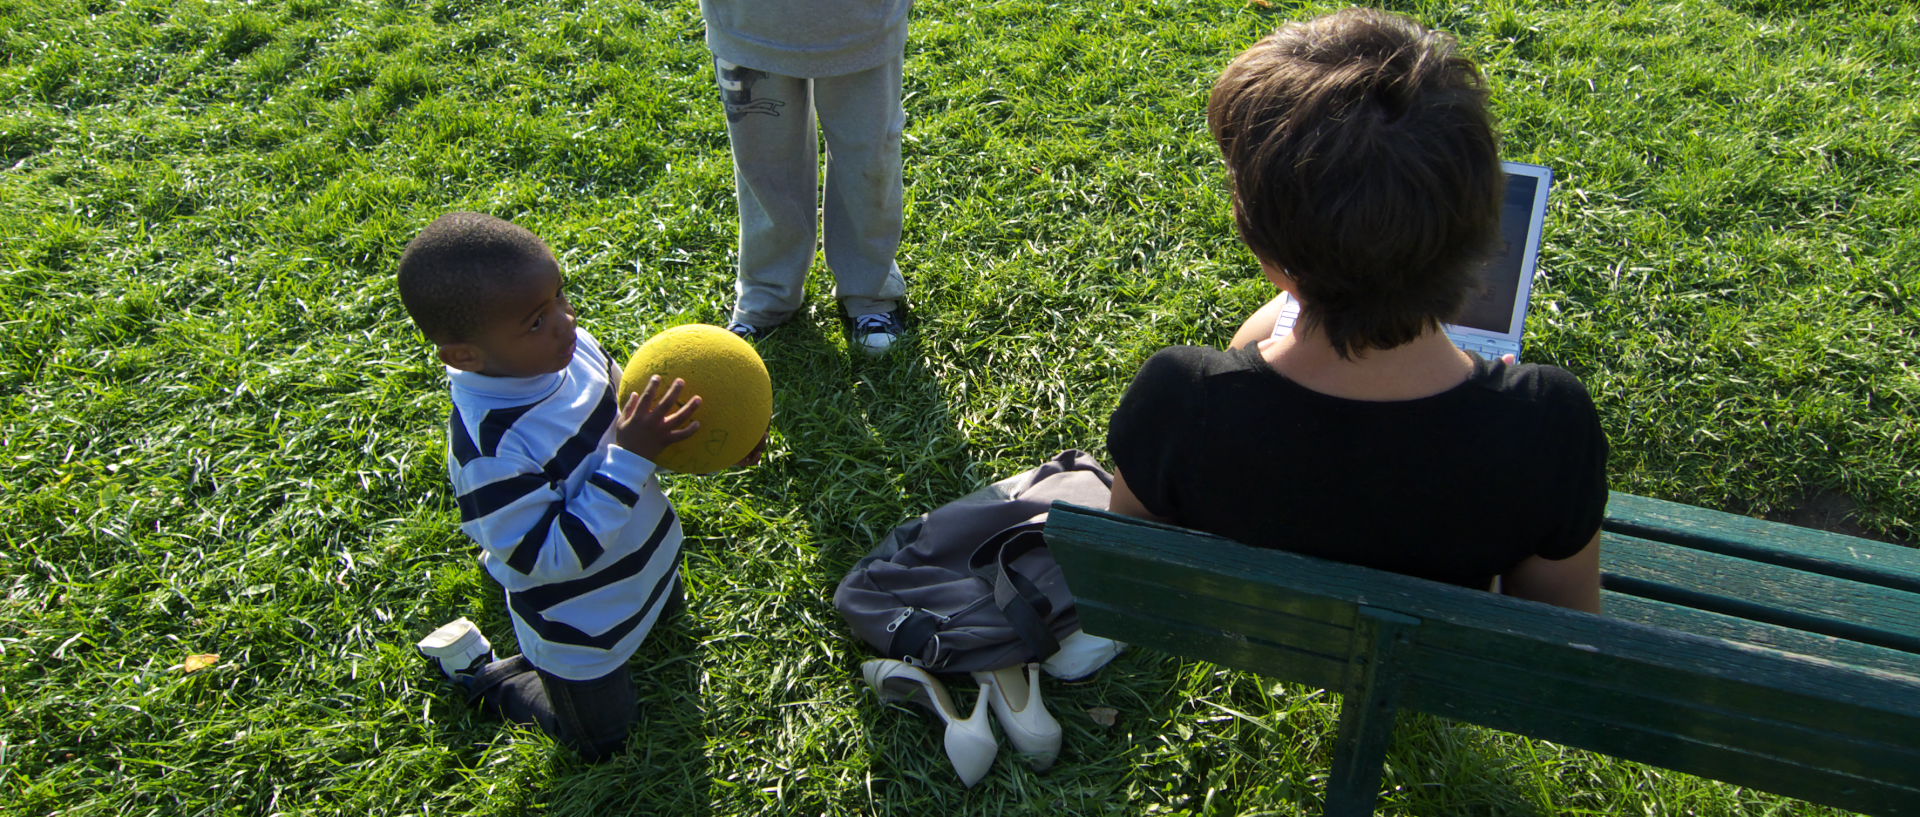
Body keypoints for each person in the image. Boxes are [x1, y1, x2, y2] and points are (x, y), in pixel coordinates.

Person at [1105, 9, 1607, 612]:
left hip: (1251, 629)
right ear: (1481, 239)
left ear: (1267, 254)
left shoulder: (1183, 398)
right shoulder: (1547, 423)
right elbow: (1561, 621)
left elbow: (1133, 554)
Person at [398, 211, 721, 761]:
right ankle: (487, 674)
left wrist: (718, 443)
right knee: (603, 742)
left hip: (651, 565)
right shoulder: (491, 450)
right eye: (534, 321)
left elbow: (640, 434)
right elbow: (546, 557)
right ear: (464, 355)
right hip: (579, 623)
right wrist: (628, 458)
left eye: (559, 299)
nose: (566, 322)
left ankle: (630, 617)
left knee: (662, 620)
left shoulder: (576, 350)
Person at [701, 0, 912, 354]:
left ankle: (869, 290)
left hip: (861, 21)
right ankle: (767, 291)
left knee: (868, 158)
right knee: (763, 162)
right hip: (746, 21)